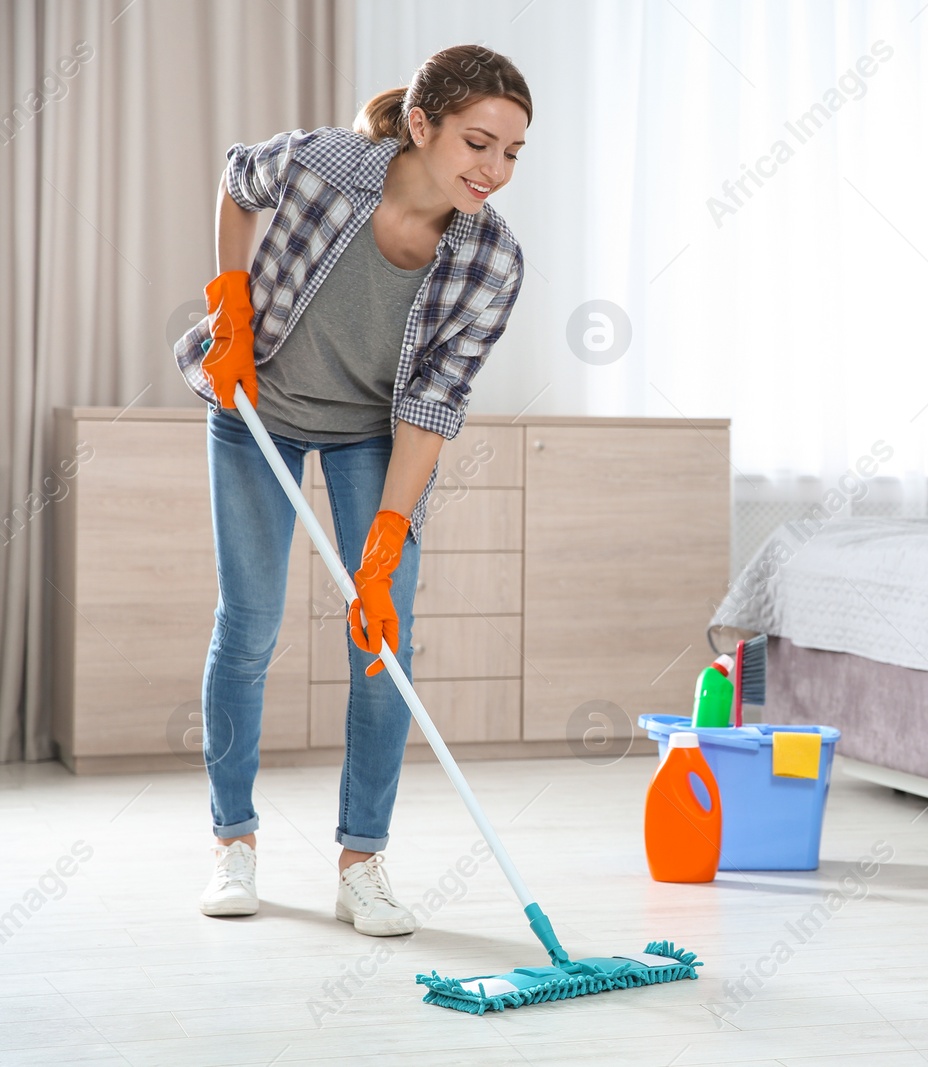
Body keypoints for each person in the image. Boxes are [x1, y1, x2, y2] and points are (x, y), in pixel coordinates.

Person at [171, 45, 529, 936]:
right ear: (421, 125)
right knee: (248, 625)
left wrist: (385, 543)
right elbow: (235, 183)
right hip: (261, 406)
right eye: (478, 142)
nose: (493, 169)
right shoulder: (322, 165)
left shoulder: (492, 260)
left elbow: (433, 403)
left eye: (513, 152)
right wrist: (230, 303)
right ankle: (234, 840)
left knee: (382, 641)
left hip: (376, 434)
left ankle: (362, 862)